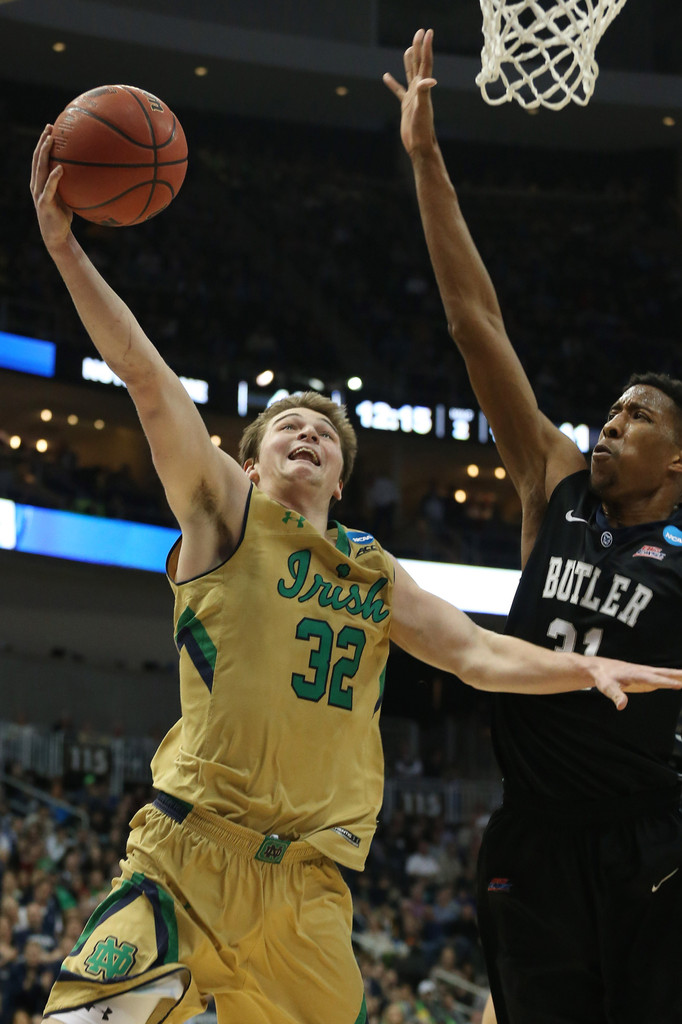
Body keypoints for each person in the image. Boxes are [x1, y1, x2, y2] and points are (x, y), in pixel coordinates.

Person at [30, 126, 682, 1024]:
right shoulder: (223, 515)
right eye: (285, 427)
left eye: (325, 435)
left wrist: (585, 666)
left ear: (342, 481)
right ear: (248, 465)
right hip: (187, 857)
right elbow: (146, 376)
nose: (307, 432)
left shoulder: (374, 571)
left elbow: (478, 654)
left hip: (310, 891)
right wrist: (66, 250)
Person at [385, 28, 682, 1024]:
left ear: (677, 462)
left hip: (651, 836)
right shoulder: (553, 482)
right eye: (613, 407)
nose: (612, 420)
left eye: (639, 415)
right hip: (532, 836)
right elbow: (475, 322)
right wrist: (426, 157)